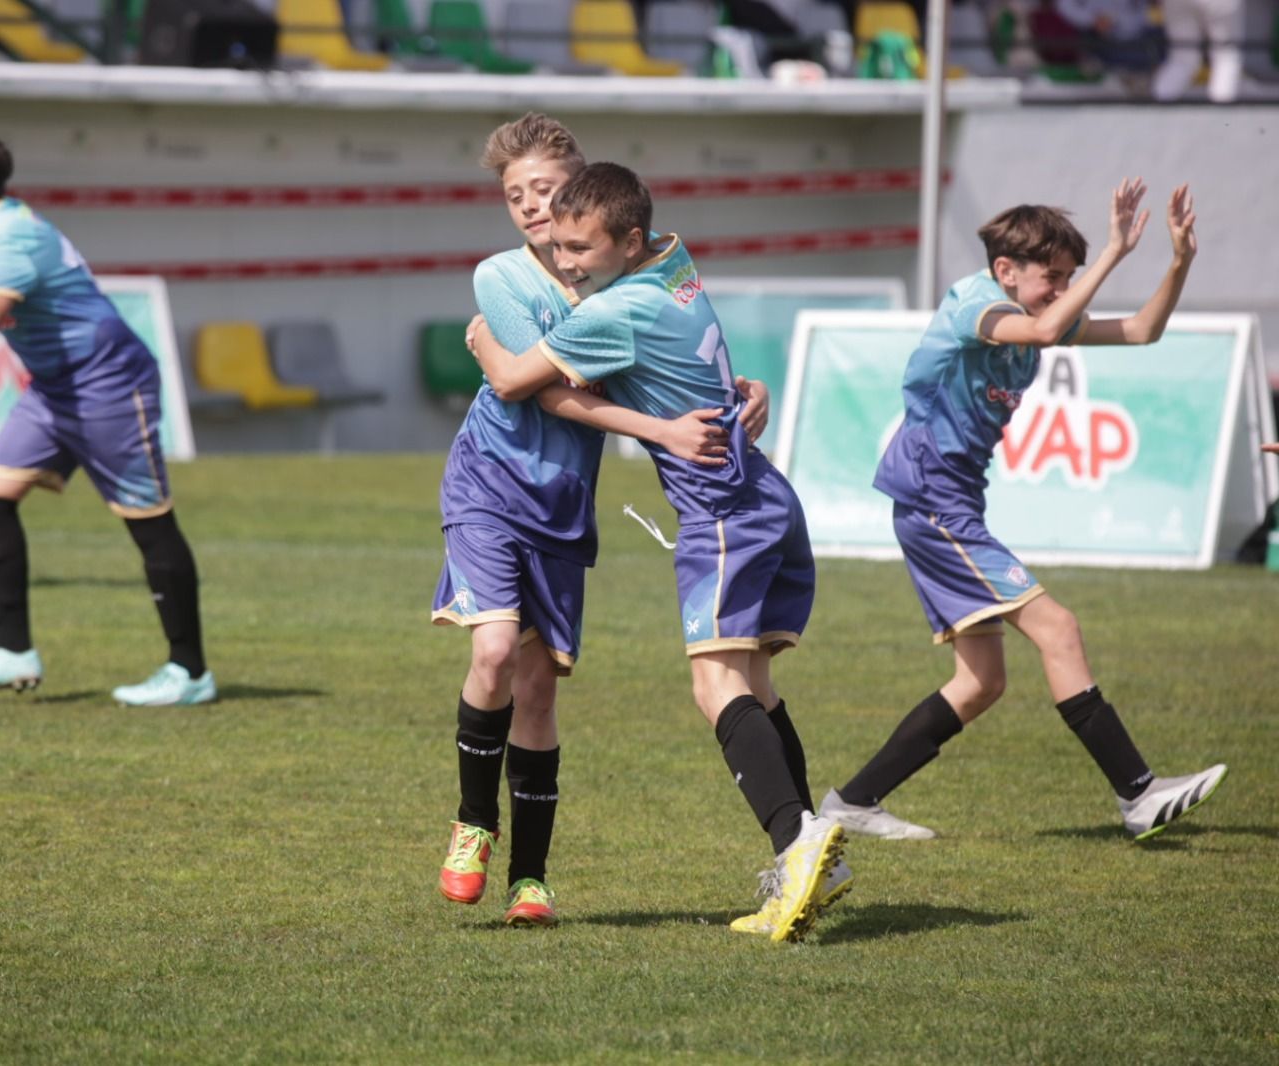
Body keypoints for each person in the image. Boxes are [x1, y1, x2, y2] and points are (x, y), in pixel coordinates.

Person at [467, 162, 849, 943]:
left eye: (580, 247)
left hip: (720, 511)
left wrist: (481, 341)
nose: (566, 260)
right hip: (766, 496)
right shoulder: (674, 266)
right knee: (757, 688)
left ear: (628, 240)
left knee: (716, 689)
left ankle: (801, 846)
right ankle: (810, 862)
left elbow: (521, 383)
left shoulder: (620, 311)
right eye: (560, 244)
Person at [434, 114, 773, 928]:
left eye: (543, 190)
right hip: (489, 481)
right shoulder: (501, 280)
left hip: (563, 502)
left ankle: (531, 878)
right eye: (514, 195)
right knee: (491, 650)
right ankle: (474, 822)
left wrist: (737, 389)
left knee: (541, 690)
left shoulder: (618, 280)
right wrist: (661, 430)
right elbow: (529, 386)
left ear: (581, 188)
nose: (528, 207)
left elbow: (659, 360)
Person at [821, 180, 1227, 843]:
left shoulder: (1031, 316)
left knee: (981, 682)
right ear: (1005, 269)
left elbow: (1142, 331)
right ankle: (1139, 793)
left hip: (950, 503)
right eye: (1054, 276)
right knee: (1059, 628)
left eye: (1070, 276)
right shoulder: (975, 302)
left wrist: (1177, 259)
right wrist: (1116, 252)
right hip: (932, 502)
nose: (1063, 290)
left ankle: (853, 801)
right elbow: (1042, 325)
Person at [0, 128, 214, 707]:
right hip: (57, 391)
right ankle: (12, 650)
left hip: (107, 384)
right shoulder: (1, 229)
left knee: (149, 522)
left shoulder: (5, 234)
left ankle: (190, 672)